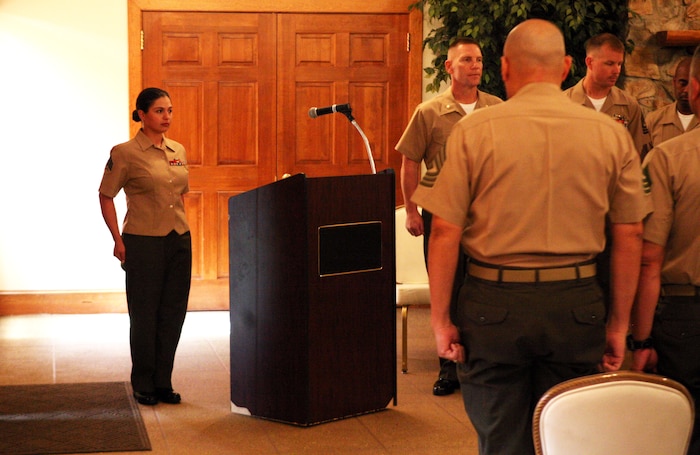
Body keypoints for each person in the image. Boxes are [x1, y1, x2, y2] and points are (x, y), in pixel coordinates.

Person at [412, 19, 648, 455]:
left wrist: (441, 320)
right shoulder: (611, 133)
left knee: (502, 438)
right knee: (572, 437)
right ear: (565, 67)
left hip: (493, 306)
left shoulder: (473, 131)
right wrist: (619, 324)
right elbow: (630, 233)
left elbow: (444, 229)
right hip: (576, 306)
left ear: (503, 67)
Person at [395, 37, 503, 396]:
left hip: (488, 217)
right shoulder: (430, 111)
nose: (476, 65)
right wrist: (411, 209)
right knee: (449, 290)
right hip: (442, 216)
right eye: (467, 60)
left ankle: (483, 364)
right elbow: (410, 161)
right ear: (449, 67)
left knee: (486, 288)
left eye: (480, 59)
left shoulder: (496, 108)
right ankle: (449, 369)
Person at [99, 87, 192, 406]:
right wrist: (117, 239)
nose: (166, 117)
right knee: (144, 314)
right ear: (141, 114)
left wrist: (181, 228)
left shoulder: (177, 149)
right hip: (142, 242)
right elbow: (106, 195)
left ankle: (163, 381)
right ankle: (143, 382)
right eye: (159, 111)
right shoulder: (124, 152)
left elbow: (180, 194)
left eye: (170, 110)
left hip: (178, 240)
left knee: (173, 313)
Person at [630, 45, 700, 455]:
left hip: (685, 318)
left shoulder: (669, 157)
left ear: (694, 87)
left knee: (681, 432)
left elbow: (649, 258)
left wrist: (640, 340)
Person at [564, 32, 652, 160]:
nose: (616, 70)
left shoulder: (629, 106)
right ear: (590, 62)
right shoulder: (564, 103)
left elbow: (637, 154)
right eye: (609, 64)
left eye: (619, 64)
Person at [645, 57, 699, 146]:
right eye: (683, 83)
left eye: (692, 85)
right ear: (674, 82)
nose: (686, 90)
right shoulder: (654, 120)